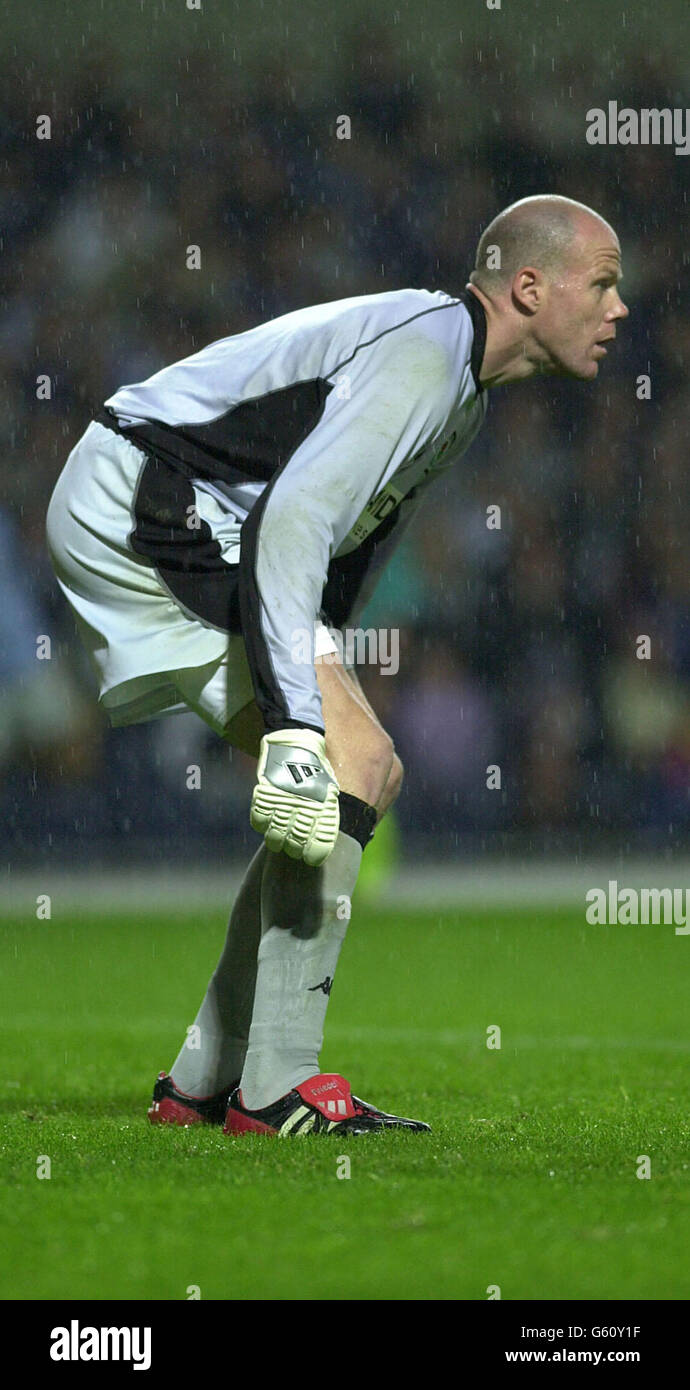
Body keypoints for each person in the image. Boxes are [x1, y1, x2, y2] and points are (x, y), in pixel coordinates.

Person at [46, 194, 628, 1136]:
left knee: (369, 769)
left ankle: (203, 1083)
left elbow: (340, 542)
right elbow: (297, 519)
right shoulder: (428, 353)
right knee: (345, 761)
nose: (619, 309)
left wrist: (324, 689)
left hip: (170, 502)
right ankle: (276, 1091)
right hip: (148, 499)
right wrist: (296, 718)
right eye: (601, 284)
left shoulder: (459, 384)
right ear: (529, 286)